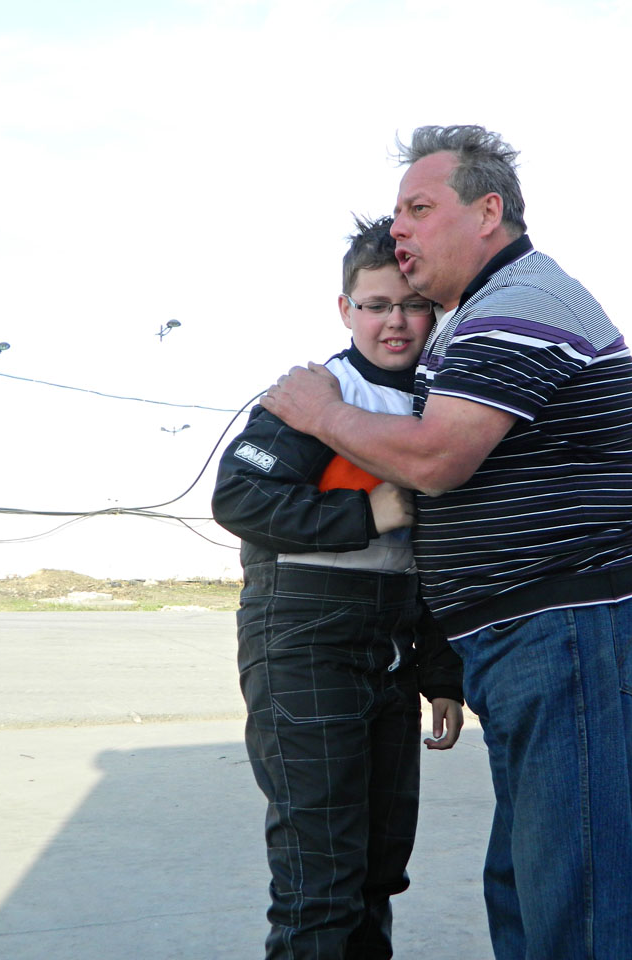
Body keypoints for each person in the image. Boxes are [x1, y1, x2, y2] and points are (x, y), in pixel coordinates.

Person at [260, 125, 632, 960]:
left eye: (418, 208)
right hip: (536, 640)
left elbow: (436, 459)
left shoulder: (521, 304)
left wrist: (319, 412)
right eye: (397, 213)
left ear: (488, 212)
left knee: (568, 907)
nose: (399, 229)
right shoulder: (479, 316)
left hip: (571, 631)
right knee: (526, 889)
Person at [211, 215, 465, 960]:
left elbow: (432, 561)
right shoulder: (316, 396)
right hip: (304, 640)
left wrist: (440, 675)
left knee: (378, 869)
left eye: (412, 305)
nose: (396, 322)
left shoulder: (439, 406)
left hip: (391, 651)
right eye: (376, 305)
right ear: (345, 309)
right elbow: (240, 498)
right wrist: (364, 512)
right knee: (320, 877)